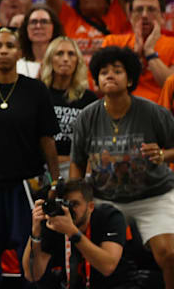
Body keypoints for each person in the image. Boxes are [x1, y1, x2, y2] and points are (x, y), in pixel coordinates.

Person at [0, 28, 60, 289]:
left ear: (20, 53)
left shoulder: (36, 91)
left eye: (10, 46)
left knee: (31, 255)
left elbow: (47, 140)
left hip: (27, 187)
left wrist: (55, 183)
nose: (4, 50)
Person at [71, 47, 174, 289]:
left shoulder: (151, 111)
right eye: (104, 71)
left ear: (130, 80)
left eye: (117, 71)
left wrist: (162, 154)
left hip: (153, 195)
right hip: (105, 198)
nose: (110, 75)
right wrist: (77, 200)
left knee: (169, 254)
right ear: (96, 79)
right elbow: (77, 162)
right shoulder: (87, 116)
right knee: (97, 255)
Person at [21, 179, 133, 289]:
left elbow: (107, 267)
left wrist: (72, 232)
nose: (68, 209)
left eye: (74, 204)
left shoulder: (109, 217)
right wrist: (35, 233)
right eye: (63, 203)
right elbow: (32, 275)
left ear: (90, 207)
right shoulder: (55, 221)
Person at [102, 0, 174, 104]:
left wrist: (149, 51)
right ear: (130, 16)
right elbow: (107, 83)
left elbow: (171, 87)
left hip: (161, 115)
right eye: (139, 10)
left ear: (162, 17)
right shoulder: (113, 42)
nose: (144, 15)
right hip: (120, 112)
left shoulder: (172, 44)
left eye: (151, 9)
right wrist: (135, 55)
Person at [38, 37, 96, 163]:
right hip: (41, 166)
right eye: (59, 53)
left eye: (71, 54)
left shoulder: (89, 99)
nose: (65, 59)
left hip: (77, 165)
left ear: (78, 61)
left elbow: (94, 143)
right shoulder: (37, 94)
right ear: (50, 59)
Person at [17, 4, 63, 78]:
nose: (38, 26)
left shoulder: (63, 63)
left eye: (44, 22)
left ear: (53, 27)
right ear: (26, 28)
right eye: (33, 22)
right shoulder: (18, 65)